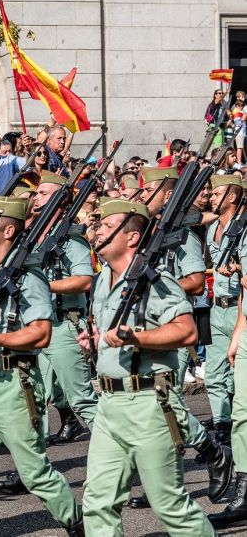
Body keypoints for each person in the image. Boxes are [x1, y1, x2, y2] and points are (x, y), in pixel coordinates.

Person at [78, 198, 215, 536]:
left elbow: (186, 330)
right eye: (99, 226)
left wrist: (136, 338)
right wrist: (95, 339)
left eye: (108, 228)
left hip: (147, 403)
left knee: (169, 505)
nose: (99, 232)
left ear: (132, 237)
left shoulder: (155, 280)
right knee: (97, 502)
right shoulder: (103, 281)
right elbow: (112, 334)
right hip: (109, 405)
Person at [0, 195, 83, 537]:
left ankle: (77, 524)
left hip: (14, 382)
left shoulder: (28, 274)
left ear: (8, 229)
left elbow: (40, 333)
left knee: (33, 472)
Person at [206, 174, 243, 446]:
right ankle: (222, 429)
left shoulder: (243, 229)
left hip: (239, 309)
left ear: (232, 197)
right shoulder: (212, 229)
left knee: (239, 377)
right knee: (214, 375)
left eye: (216, 193)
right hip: (217, 309)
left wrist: (239, 268)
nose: (211, 197)